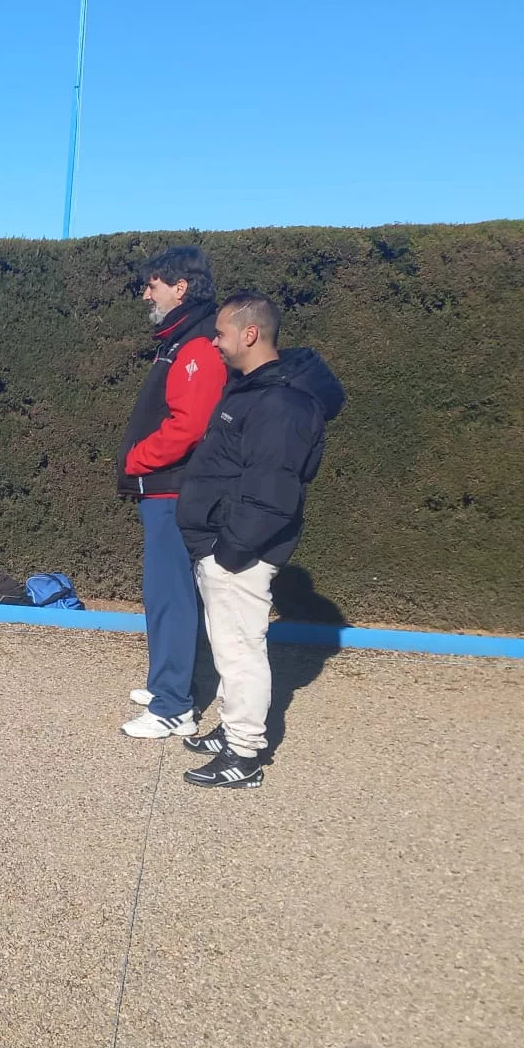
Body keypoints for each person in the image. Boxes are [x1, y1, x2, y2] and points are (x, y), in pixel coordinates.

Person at [174, 291, 345, 788]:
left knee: (240, 648)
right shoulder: (253, 390)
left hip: (238, 552)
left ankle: (244, 754)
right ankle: (232, 730)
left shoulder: (282, 403)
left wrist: (228, 551)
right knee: (228, 644)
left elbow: (273, 492)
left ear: (250, 334)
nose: (215, 341)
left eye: (222, 333)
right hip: (222, 544)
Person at [116, 246, 229, 740]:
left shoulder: (196, 344)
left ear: (181, 287)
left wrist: (136, 458)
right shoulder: (181, 340)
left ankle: (172, 707)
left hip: (173, 491)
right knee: (166, 595)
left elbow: (190, 426)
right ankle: (166, 683)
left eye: (154, 283)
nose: (146, 292)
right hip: (165, 489)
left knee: (172, 596)